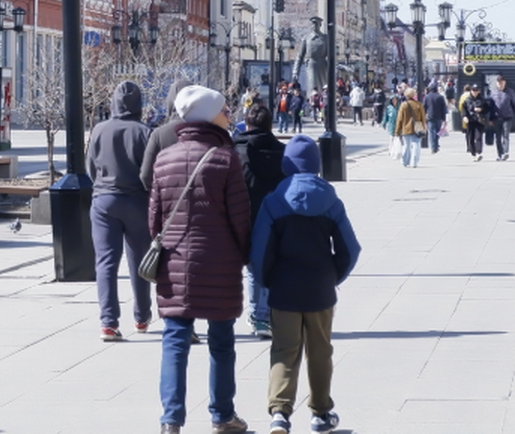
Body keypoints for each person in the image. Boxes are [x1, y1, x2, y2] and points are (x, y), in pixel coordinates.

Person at [150, 85, 251, 434]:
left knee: (175, 339)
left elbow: (154, 218)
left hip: (174, 260)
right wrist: (246, 254)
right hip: (219, 261)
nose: (229, 115)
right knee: (222, 340)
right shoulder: (225, 159)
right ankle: (222, 415)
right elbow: (240, 216)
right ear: (209, 116)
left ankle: (171, 420)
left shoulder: (165, 158)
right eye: (224, 110)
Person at [250, 135, 361, 434]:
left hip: (284, 289)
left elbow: (259, 252)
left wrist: (266, 281)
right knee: (320, 351)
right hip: (320, 289)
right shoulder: (330, 200)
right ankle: (321, 413)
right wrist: (333, 275)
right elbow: (350, 249)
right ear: (317, 164)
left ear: (287, 164)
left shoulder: (274, 201)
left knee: (285, 350)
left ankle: (279, 414)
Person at [87, 81, 155, 341]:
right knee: (139, 261)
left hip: (104, 200)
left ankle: (108, 322)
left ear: (113, 102)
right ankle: (142, 316)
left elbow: (90, 168)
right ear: (139, 105)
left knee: (106, 262)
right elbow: (150, 172)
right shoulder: (145, 132)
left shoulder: (99, 130)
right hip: (137, 200)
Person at [232, 103, 286, 340]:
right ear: (270, 125)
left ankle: (257, 315)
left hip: (242, 216)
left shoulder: (236, 151)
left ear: (247, 124)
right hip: (274, 217)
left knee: (251, 269)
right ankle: (264, 315)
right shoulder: (283, 152)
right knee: (267, 267)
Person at [490, 75, 515, 161]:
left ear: (505, 83)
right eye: (499, 83)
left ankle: (505, 152)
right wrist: (490, 118)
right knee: (498, 137)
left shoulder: (510, 92)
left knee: (506, 135)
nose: (500, 84)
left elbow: (514, 104)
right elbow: (491, 106)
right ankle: (500, 154)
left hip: (507, 117)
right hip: (496, 117)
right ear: (496, 83)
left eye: (502, 83)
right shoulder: (493, 93)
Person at [395, 88, 427, 168]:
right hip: (417, 128)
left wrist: (397, 130)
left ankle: (405, 161)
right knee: (416, 145)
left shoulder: (403, 105)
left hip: (406, 128)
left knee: (406, 145)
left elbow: (399, 119)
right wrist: (424, 126)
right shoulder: (418, 104)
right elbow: (423, 117)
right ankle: (414, 162)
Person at [463, 84, 491, 161]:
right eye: (473, 90)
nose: (475, 92)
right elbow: (464, 110)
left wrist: (481, 110)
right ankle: (473, 153)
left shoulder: (482, 100)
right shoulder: (467, 100)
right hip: (470, 120)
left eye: (476, 90)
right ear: (471, 91)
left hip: (479, 120)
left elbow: (487, 109)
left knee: (478, 136)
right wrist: (464, 116)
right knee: (470, 137)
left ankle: (479, 152)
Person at [421, 84, 448, 154]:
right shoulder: (440, 97)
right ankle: (436, 144)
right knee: (438, 132)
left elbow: (424, 107)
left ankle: (433, 147)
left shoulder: (427, 97)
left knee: (431, 132)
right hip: (439, 117)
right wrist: (444, 119)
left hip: (430, 116)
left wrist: (423, 117)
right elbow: (443, 109)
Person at [383, 93, 401, 159]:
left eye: (395, 100)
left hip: (398, 125)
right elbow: (386, 116)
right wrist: (384, 123)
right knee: (391, 139)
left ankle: (397, 151)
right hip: (391, 125)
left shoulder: (400, 107)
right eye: (392, 100)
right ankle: (391, 151)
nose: (394, 101)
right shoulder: (389, 108)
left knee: (397, 139)